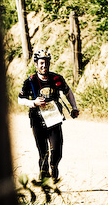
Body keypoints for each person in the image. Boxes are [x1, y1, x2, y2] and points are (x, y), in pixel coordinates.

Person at [18, 49, 79, 182]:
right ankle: (44, 172)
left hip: (54, 119)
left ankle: (54, 165)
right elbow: (20, 99)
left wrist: (74, 107)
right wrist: (33, 102)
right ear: (36, 64)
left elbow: (68, 92)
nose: (44, 65)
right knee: (43, 151)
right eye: (41, 63)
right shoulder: (30, 81)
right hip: (37, 120)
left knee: (57, 149)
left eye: (46, 63)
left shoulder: (56, 78)